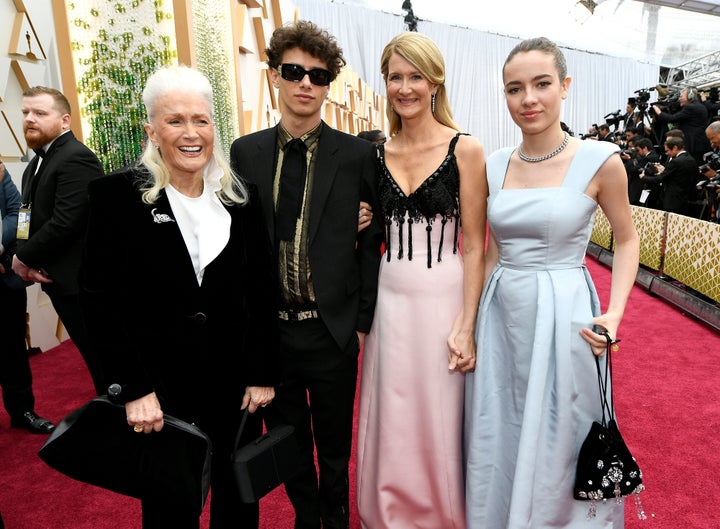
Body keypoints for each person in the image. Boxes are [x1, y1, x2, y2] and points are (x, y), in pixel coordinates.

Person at [79, 65, 279, 529]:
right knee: (170, 509)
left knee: (239, 506)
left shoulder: (241, 198)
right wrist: (132, 389)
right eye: (175, 121)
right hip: (160, 394)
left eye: (201, 120)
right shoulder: (116, 198)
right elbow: (98, 301)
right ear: (151, 130)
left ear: (214, 127)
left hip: (235, 391)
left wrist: (262, 373)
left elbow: (262, 293)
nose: (191, 134)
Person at [464, 37, 639, 528]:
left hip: (566, 311)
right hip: (501, 313)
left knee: (564, 425)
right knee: (501, 422)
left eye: (542, 84)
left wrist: (615, 312)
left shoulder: (601, 159)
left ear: (564, 86)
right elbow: (491, 248)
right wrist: (471, 320)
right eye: (515, 88)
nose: (529, 99)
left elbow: (627, 241)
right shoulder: (493, 164)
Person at [229, 21, 383, 529]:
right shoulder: (244, 152)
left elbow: (370, 242)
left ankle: (334, 520)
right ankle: (306, 518)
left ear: (327, 84)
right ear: (275, 75)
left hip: (331, 328)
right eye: (294, 71)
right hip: (273, 332)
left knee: (335, 446)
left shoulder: (358, 155)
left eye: (317, 76)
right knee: (289, 442)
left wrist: (360, 320)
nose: (305, 84)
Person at [355, 31, 487, 529]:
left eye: (415, 77)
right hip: (391, 296)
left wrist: (467, 322)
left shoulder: (465, 149)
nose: (405, 87)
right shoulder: (375, 155)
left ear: (435, 82)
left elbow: (474, 244)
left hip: (444, 295)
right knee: (392, 407)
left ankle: (439, 515)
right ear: (385, 82)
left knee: (438, 411)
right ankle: (385, 511)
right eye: (395, 77)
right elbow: (367, 233)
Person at [12, 87, 106, 395]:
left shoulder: (76, 157)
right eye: (26, 112)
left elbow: (66, 222)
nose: (30, 119)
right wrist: (23, 256)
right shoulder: (36, 162)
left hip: (83, 284)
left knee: (104, 362)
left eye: (40, 113)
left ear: (64, 120)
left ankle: (126, 426)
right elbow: (27, 218)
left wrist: (22, 258)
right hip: (57, 280)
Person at [0, 160, 55, 433]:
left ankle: (22, 411)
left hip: (5, 277)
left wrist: (8, 254)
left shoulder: (1, 172)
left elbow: (21, 214)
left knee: (13, 349)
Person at [640, 135, 700, 216]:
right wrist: (664, 170)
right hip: (686, 199)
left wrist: (644, 177)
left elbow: (660, 179)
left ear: (675, 148)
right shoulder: (691, 159)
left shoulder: (676, 161)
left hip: (672, 201)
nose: (667, 153)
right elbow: (676, 175)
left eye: (667, 151)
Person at [652, 87, 712, 165]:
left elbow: (672, 118)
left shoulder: (690, 107)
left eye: (681, 96)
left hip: (692, 144)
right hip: (699, 143)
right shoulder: (699, 106)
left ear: (690, 96)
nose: (679, 98)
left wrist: (658, 111)